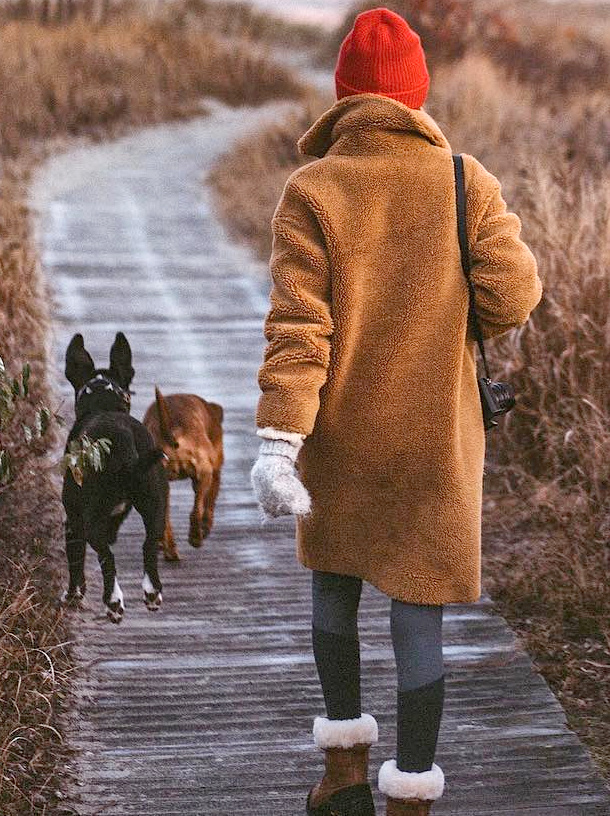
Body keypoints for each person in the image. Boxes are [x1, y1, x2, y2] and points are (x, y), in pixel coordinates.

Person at [251, 8, 542, 816]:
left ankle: (343, 773)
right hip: (434, 449)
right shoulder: (460, 178)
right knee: (419, 623)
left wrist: (280, 439)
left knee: (333, 595)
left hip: (339, 442)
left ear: (345, 97)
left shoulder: (312, 190)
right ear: (416, 97)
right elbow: (514, 297)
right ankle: (412, 796)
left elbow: (298, 331)